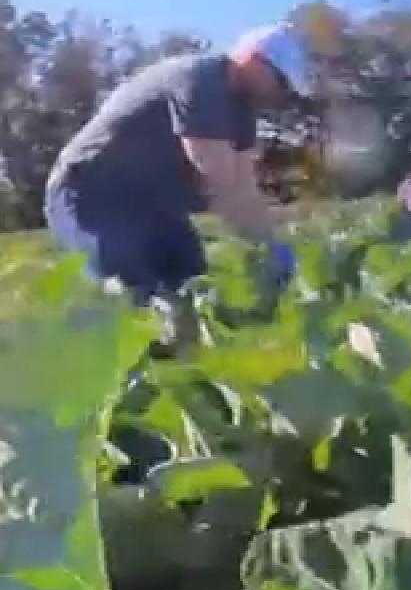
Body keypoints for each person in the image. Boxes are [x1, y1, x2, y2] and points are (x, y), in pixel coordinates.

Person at [43, 23, 308, 348]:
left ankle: (177, 376)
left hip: (151, 204)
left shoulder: (242, 113)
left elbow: (243, 185)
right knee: (128, 293)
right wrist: (266, 248)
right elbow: (219, 178)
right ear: (254, 60)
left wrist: (269, 242)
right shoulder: (201, 80)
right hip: (89, 192)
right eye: (281, 82)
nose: (282, 95)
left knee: (189, 283)